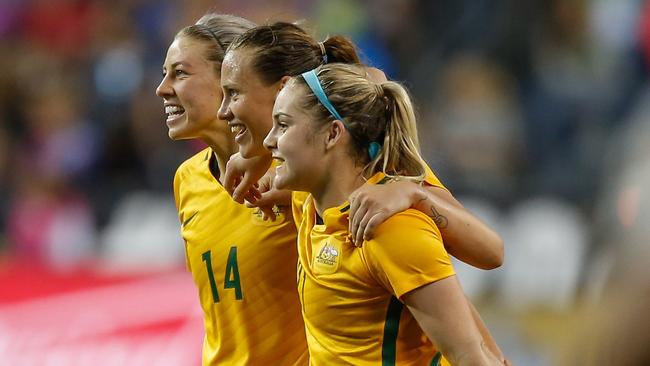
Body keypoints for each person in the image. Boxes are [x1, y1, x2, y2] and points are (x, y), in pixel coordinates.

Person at [263, 62, 503, 365]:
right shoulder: (310, 204)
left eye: (283, 125)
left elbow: (469, 355)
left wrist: (416, 193)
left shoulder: (392, 228)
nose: (268, 140)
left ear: (333, 134)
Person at [218, 21, 504, 270]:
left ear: (284, 88)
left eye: (233, 93)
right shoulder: (298, 169)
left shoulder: (371, 161)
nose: (224, 110)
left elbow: (491, 252)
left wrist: (413, 194)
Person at [155, 14, 308, 365]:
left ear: (229, 78)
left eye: (180, 73)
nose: (162, 88)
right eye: (164, 74)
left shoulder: (300, 170)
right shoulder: (187, 179)